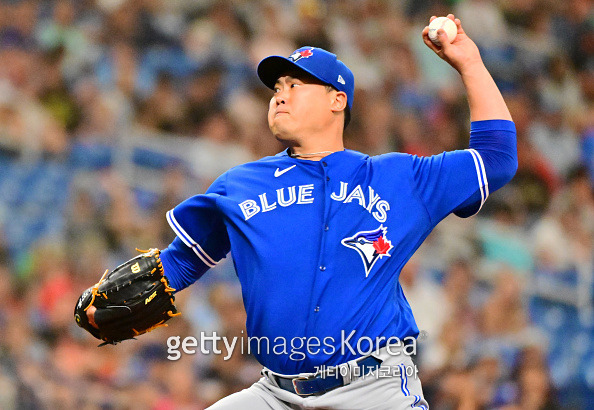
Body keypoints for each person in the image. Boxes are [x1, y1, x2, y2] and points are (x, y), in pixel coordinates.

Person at [87, 14, 517, 409]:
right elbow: (179, 264)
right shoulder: (239, 186)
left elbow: (497, 157)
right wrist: (112, 301)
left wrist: (470, 64)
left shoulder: (399, 178)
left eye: (296, 85)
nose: (280, 96)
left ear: (337, 100)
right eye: (276, 88)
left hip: (374, 390)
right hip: (275, 394)